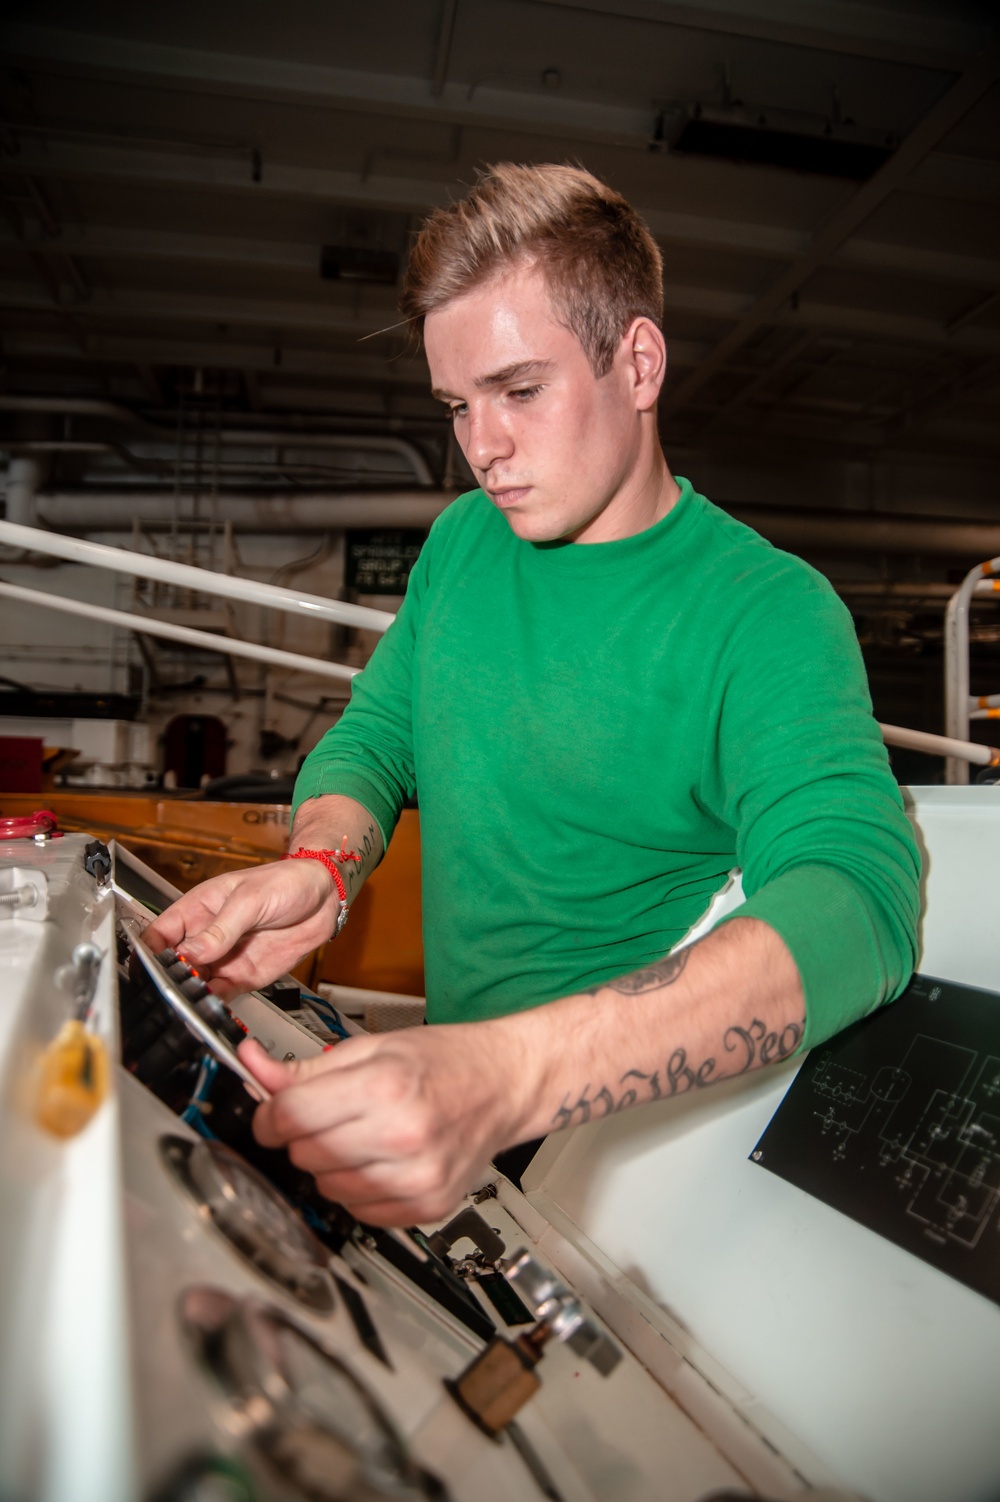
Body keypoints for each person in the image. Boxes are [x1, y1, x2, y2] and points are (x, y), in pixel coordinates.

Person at [146, 164, 920, 1229]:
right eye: (457, 405)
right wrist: (322, 865)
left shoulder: (766, 610)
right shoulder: (465, 543)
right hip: (462, 1088)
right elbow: (378, 734)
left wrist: (501, 1075)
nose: (482, 449)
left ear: (636, 361)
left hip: (620, 1144)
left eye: (518, 390)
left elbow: (854, 902)